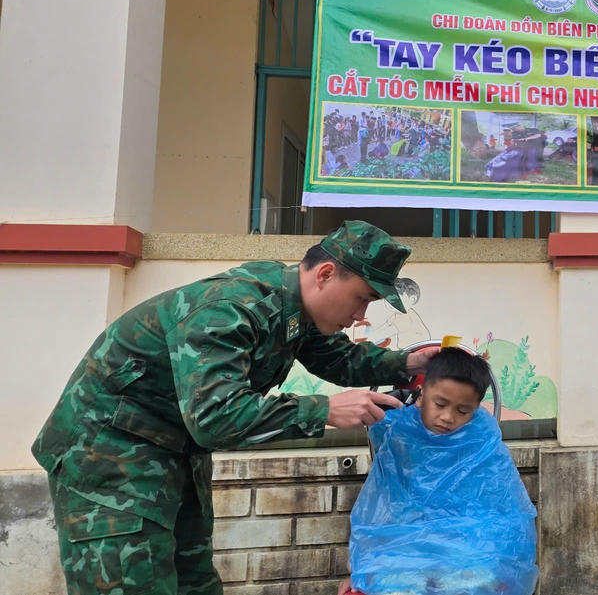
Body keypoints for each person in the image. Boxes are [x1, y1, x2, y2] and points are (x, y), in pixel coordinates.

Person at [32, 221, 441, 595]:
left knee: (194, 583)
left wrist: (408, 364)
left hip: (172, 452)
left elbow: (337, 359)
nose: (360, 316)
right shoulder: (230, 311)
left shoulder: (291, 307)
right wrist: (323, 411)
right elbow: (215, 418)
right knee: (129, 584)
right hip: (108, 457)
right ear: (326, 275)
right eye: (362, 298)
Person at [340, 348, 538, 595]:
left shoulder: (480, 437)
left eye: (463, 411)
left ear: (476, 407)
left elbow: (502, 511)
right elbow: (385, 502)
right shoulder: (398, 429)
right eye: (440, 404)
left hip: (467, 548)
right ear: (422, 392)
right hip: (403, 543)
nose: (447, 417)